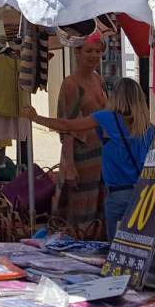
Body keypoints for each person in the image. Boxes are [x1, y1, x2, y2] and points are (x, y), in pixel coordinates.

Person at [25, 76, 155, 235]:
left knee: (116, 249)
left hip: (118, 196)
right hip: (145, 197)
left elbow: (67, 125)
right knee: (140, 247)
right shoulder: (149, 130)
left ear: (116, 97)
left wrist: (36, 118)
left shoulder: (108, 118)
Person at [53, 33, 110, 228]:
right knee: (79, 214)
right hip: (80, 157)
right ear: (77, 52)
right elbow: (66, 128)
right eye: (89, 51)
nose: (94, 56)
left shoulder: (98, 80)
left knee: (99, 212)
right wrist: (69, 166)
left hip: (101, 156)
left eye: (97, 51)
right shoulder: (70, 85)